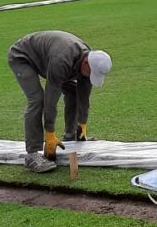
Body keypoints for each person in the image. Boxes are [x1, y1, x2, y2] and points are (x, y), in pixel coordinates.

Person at [7, 31, 113, 173]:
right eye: (92, 73)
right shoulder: (62, 59)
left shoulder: (89, 61)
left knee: (74, 91)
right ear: (86, 63)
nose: (91, 77)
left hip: (48, 59)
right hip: (23, 56)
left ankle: (70, 136)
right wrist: (50, 134)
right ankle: (32, 155)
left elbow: (84, 96)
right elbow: (52, 96)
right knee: (38, 99)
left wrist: (82, 126)